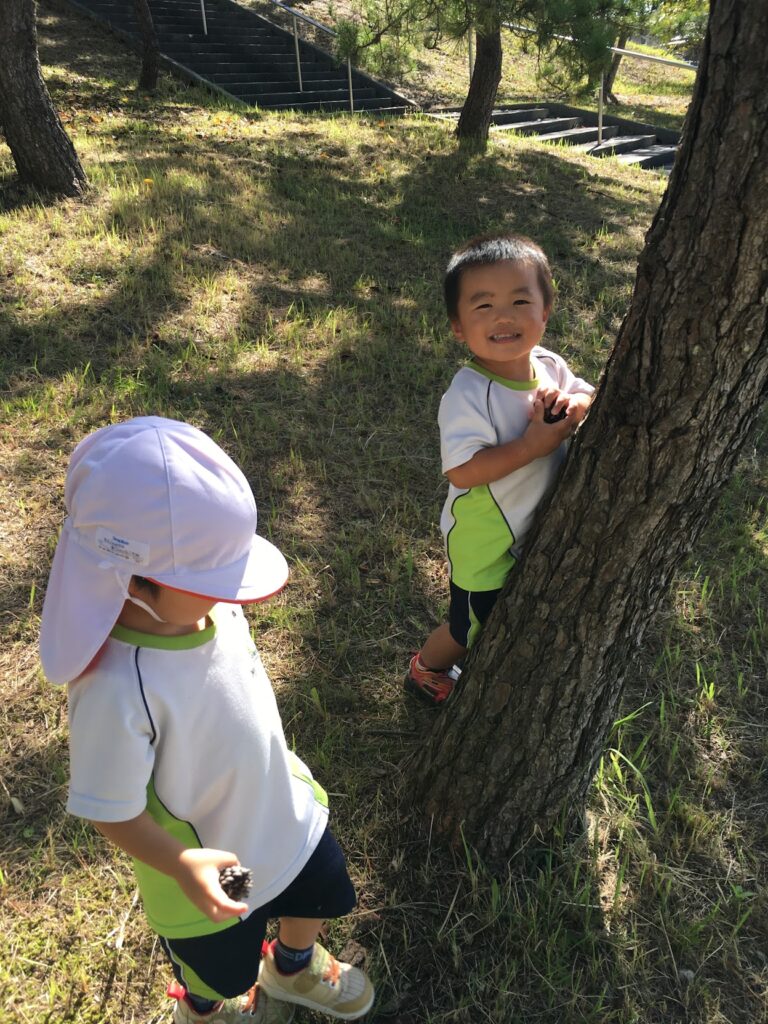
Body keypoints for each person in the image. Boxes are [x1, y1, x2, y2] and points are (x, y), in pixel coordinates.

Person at [39, 416, 375, 1024]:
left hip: (285, 816)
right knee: (222, 964)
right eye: (216, 574)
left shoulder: (211, 609)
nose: (236, 590)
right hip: (219, 862)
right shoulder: (114, 686)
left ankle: (292, 967)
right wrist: (181, 863)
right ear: (136, 579)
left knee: (321, 892)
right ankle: (208, 1005)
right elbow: (108, 807)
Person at [405, 234, 595, 706]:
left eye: (519, 300)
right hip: (485, 538)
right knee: (469, 624)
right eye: (483, 305)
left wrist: (575, 403)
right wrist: (532, 444)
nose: (504, 316)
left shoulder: (549, 364)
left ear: (545, 311)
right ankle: (425, 668)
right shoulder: (469, 394)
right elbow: (464, 472)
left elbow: (586, 391)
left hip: (530, 525)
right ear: (458, 326)